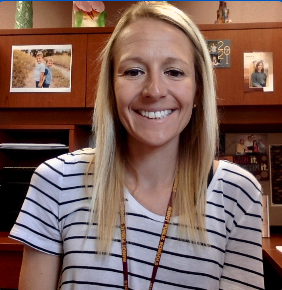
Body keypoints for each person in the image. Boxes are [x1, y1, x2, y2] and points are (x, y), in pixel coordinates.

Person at [9, 2, 264, 290]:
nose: (154, 90)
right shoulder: (56, 181)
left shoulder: (238, 193)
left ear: (198, 90)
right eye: (133, 71)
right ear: (111, 88)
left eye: (175, 72)